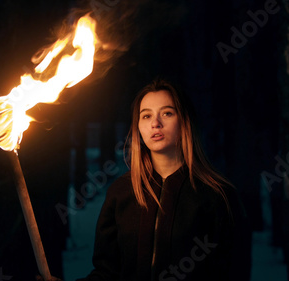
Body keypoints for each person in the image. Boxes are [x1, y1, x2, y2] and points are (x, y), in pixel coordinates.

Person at [78, 78, 248, 281]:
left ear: (184, 121)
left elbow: (232, 272)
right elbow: (107, 273)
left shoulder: (218, 195)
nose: (155, 123)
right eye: (146, 115)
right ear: (138, 127)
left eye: (167, 113)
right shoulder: (121, 191)